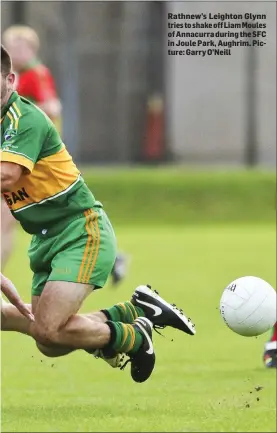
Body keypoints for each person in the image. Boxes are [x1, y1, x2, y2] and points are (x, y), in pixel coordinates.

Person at [1, 45, 196, 382]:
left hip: (80, 231)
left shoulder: (23, 118)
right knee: (49, 341)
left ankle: (135, 336)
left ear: (10, 79)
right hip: (45, 238)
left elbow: (7, 174)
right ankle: (134, 312)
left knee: (47, 330)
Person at [1, 25, 128, 285]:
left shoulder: (36, 74)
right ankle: (113, 258)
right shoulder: (17, 76)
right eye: (9, 46)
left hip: (35, 157)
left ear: (31, 49)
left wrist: (23, 117)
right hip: (22, 155)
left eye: (18, 47)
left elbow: (52, 106)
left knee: (8, 219)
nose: (13, 51)